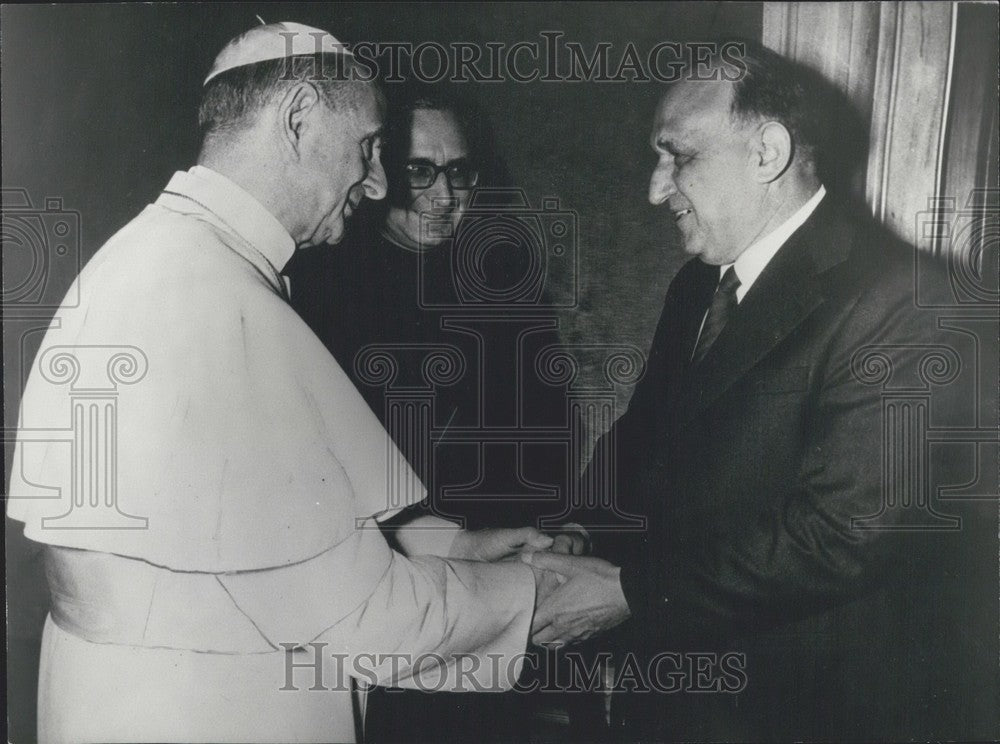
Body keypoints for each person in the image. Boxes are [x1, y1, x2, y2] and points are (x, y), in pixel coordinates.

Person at [6, 23, 565, 743]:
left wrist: (453, 549)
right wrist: (542, 596)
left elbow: (256, 537)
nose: (378, 182)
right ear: (298, 119)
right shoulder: (212, 297)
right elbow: (370, 621)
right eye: (367, 147)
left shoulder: (160, 258)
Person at [525, 40, 997, 741]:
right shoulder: (697, 286)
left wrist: (627, 592)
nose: (656, 188)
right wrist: (584, 530)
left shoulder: (908, 299)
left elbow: (844, 533)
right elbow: (642, 438)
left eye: (677, 156)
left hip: (809, 711)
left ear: (767, 152)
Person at [286, 84, 590, 742]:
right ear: (373, 170)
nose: (444, 196)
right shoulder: (320, 283)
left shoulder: (503, 276)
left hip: (493, 579)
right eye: (420, 171)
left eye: (459, 172)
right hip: (383, 584)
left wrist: (545, 528)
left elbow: (550, 426)